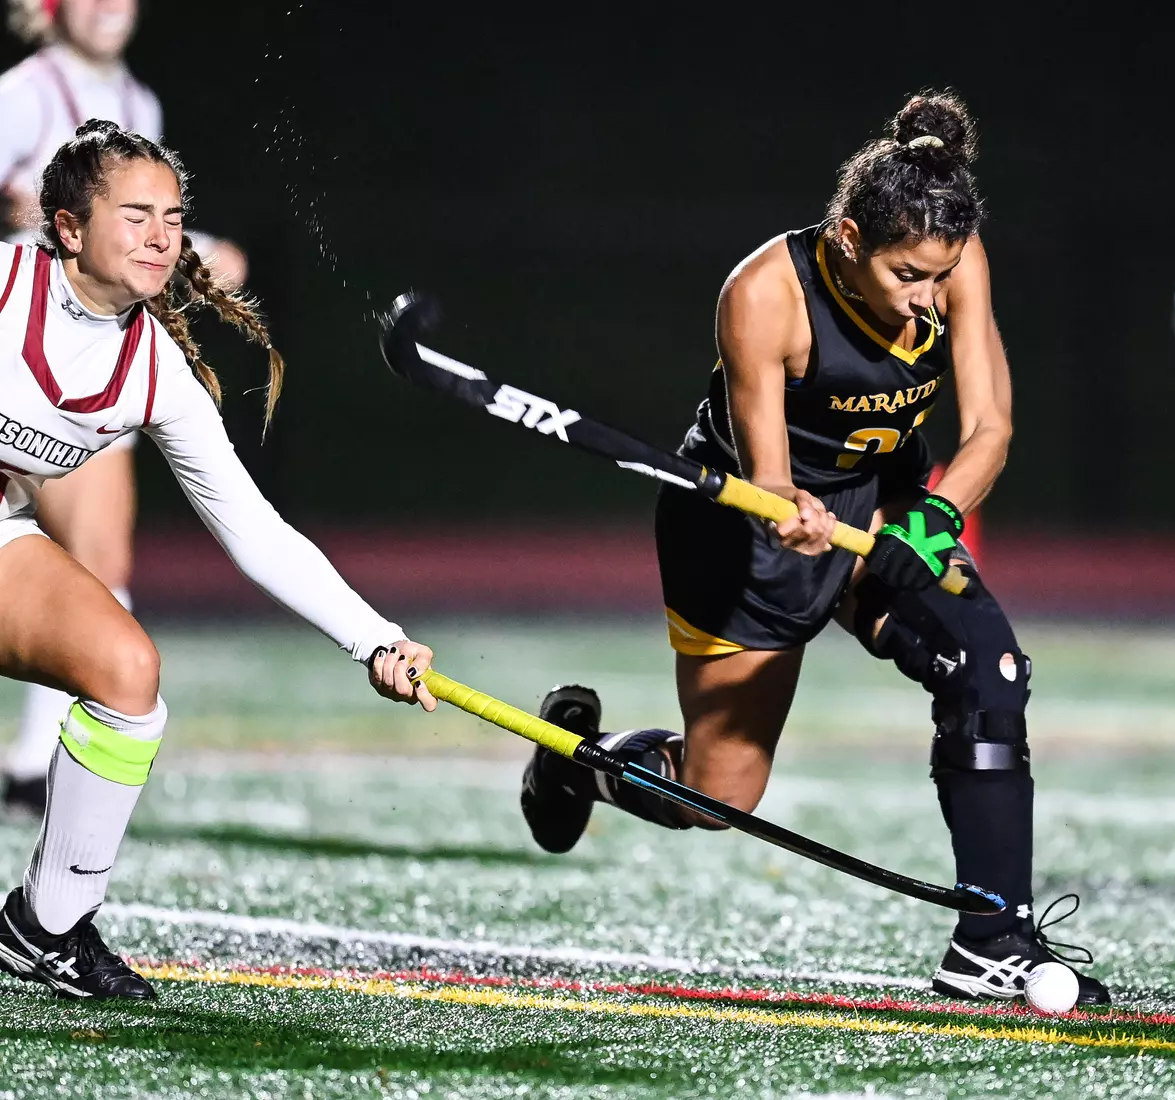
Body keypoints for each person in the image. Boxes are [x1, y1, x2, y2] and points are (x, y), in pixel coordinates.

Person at [518, 91, 1107, 1005]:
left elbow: (989, 428)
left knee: (987, 666)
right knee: (716, 797)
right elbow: (770, 480)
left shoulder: (953, 260)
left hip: (886, 501)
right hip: (743, 532)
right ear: (846, 239)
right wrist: (787, 514)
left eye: (940, 277)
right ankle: (573, 760)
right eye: (908, 275)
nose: (927, 303)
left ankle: (992, 939)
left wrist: (931, 520)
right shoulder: (764, 296)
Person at [0, 120, 434, 1001]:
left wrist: (375, 640)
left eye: (173, 216)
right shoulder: (5, 280)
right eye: (136, 215)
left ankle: (42, 928)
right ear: (69, 227)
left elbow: (256, 532)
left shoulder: (154, 370)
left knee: (127, 673)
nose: (163, 236)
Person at [0, 0, 250, 813]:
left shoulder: (139, 105)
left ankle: (34, 763)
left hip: (99, 355)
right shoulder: (25, 94)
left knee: (101, 569)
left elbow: (126, 227)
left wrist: (202, 252)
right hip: (25, 356)